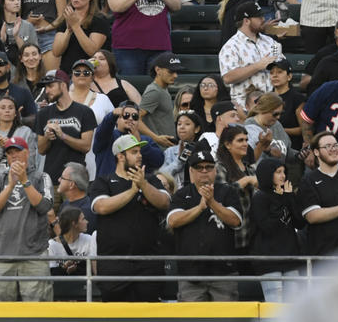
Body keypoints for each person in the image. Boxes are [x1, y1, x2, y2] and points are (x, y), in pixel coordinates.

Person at [91, 134, 171, 301]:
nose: (140, 156)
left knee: (149, 314)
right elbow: (102, 207)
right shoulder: (103, 181)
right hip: (114, 263)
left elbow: (164, 202)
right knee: (115, 314)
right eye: (134, 152)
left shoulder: (151, 180)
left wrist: (143, 185)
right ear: (120, 156)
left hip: (148, 261)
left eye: (139, 152)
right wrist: (132, 191)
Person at [166, 150, 241, 302]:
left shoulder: (228, 191)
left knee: (227, 318)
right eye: (199, 168)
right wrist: (200, 207)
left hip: (223, 272)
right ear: (191, 172)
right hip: (190, 274)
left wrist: (211, 202)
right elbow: (173, 221)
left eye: (209, 167)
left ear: (215, 170)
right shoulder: (181, 194)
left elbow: (235, 221)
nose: (204, 171)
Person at [0, 136, 53, 302]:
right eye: (10, 152)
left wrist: (25, 181)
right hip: (2, 256)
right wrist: (10, 186)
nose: (13, 155)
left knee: (37, 313)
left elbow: (44, 207)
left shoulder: (41, 177)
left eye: (17, 151)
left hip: (33, 256)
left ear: (27, 153)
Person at [249, 157, 302, 303]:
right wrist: (281, 200)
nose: (283, 176)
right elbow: (267, 226)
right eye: (278, 172)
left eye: (284, 172)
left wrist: (290, 197)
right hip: (268, 258)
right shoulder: (259, 197)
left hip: (290, 256)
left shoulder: (286, 195)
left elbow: (300, 222)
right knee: (274, 305)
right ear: (268, 174)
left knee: (294, 304)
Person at [33, 70, 95, 183]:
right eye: (46, 87)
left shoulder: (84, 112)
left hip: (76, 180)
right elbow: (41, 150)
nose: (47, 91)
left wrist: (63, 136)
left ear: (62, 85)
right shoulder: (43, 114)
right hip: (51, 179)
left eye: (50, 86)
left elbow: (86, 146)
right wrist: (47, 138)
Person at [218, 1, 281, 107]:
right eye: (258, 17)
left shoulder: (270, 41)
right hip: (245, 107)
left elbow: (281, 61)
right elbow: (228, 78)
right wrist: (257, 66)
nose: (263, 19)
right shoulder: (230, 47)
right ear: (246, 21)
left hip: (270, 104)